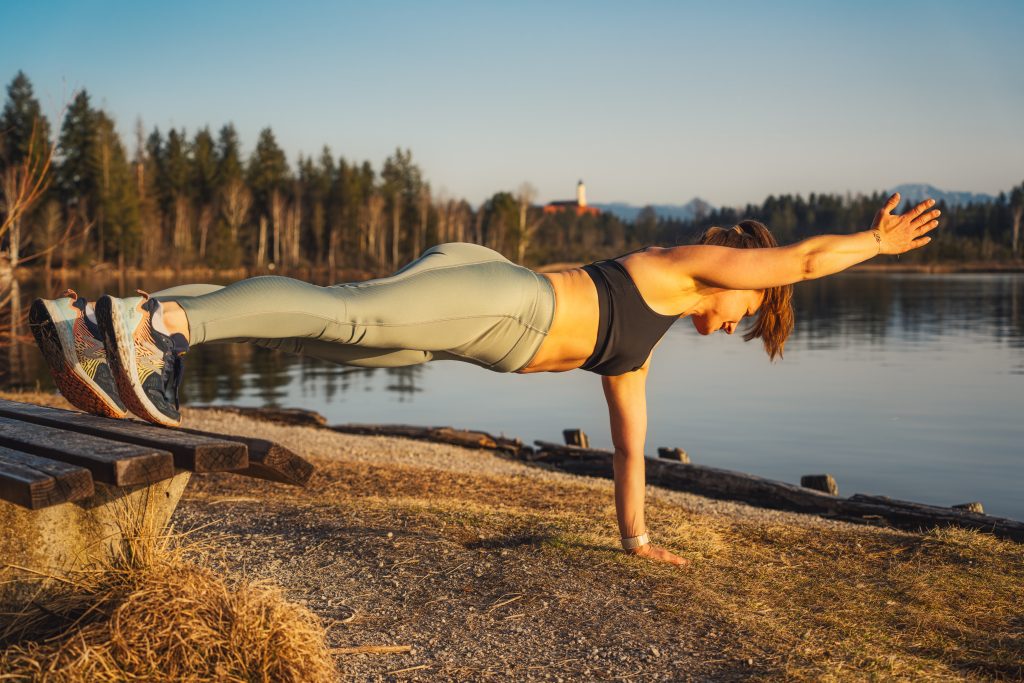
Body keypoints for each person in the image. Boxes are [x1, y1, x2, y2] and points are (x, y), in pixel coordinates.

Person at [30, 192, 939, 566]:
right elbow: (804, 259)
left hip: (470, 330)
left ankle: (99, 318)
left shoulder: (641, 343)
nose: (736, 322)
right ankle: (160, 326)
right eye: (749, 310)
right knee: (339, 314)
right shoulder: (686, 266)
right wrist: (873, 242)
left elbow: (630, 449)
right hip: (504, 298)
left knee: (333, 328)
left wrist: (637, 537)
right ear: (744, 277)